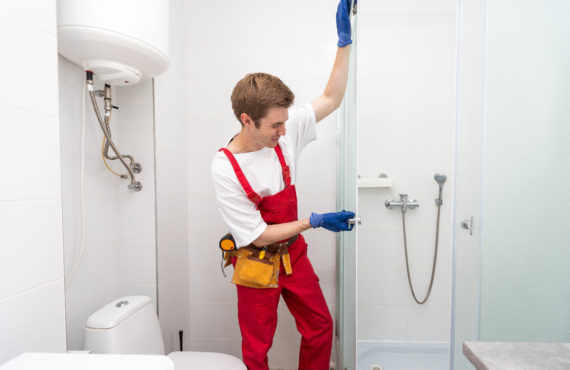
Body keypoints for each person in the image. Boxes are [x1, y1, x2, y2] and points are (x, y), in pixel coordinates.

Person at [211, 1, 355, 369]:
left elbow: (332, 98)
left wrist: (344, 42)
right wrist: (313, 221)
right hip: (257, 262)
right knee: (257, 350)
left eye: (285, 122)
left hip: (294, 255)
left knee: (321, 327)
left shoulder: (283, 134)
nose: (284, 131)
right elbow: (258, 235)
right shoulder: (226, 169)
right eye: (275, 125)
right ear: (248, 120)